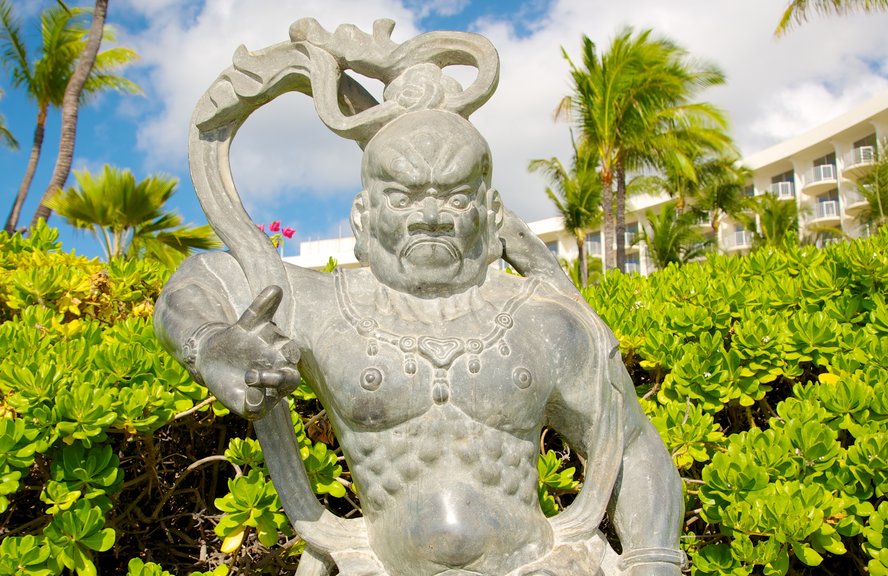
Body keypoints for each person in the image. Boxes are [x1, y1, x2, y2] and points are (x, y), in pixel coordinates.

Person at [155, 108, 681, 576]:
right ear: (364, 215)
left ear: (491, 213)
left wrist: (651, 561)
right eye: (403, 197)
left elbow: (632, 447)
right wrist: (211, 342)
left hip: (541, 564)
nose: (430, 216)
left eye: (454, 197)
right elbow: (206, 277)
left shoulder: (543, 321)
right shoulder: (322, 307)